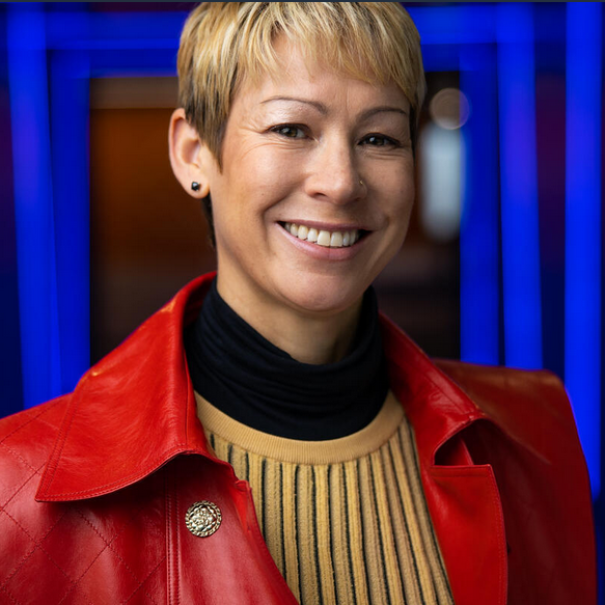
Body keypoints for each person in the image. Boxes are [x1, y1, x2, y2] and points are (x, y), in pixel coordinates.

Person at [0, 3, 596, 604]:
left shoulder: (535, 437)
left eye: (378, 137)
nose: (340, 181)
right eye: (291, 129)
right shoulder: (15, 491)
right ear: (193, 153)